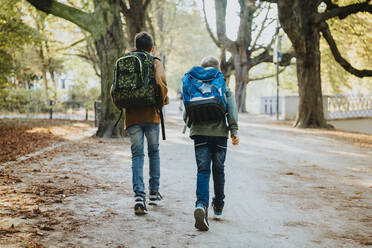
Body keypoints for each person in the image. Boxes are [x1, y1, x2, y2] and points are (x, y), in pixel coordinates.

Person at [111, 32, 168, 215]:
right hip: (152, 115)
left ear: (135, 47)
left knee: (137, 156)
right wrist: (163, 102)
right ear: (152, 49)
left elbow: (114, 89)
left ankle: (138, 197)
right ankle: (153, 193)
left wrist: (121, 106)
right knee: (154, 152)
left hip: (132, 117)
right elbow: (161, 84)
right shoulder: (155, 62)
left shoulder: (125, 61)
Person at [183, 56, 239, 231]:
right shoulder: (223, 87)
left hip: (200, 134)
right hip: (220, 135)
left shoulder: (194, 85)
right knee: (219, 169)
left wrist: (191, 125)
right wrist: (234, 131)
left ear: (202, 68)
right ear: (218, 69)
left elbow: (187, 112)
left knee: (203, 170)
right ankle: (219, 206)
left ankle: (201, 205)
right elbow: (232, 110)